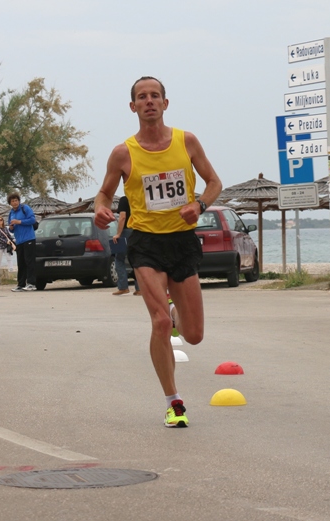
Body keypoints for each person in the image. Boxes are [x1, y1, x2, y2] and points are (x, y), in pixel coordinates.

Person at [93, 75, 222, 427]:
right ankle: (173, 400)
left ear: (165, 103)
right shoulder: (123, 153)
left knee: (193, 335)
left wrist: (200, 205)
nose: (149, 101)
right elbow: (103, 194)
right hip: (145, 242)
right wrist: (100, 208)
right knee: (160, 322)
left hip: (181, 241)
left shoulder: (187, 141)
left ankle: (176, 315)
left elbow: (214, 182)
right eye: (141, 97)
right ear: (133, 107)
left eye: (155, 96)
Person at [7, 192, 37, 292]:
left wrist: (19, 222)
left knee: (29, 262)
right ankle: (20, 284)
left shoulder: (25, 208)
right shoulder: (11, 213)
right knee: (21, 263)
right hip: (19, 241)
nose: (15, 202)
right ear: (10, 203)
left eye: (16, 200)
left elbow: (32, 220)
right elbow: (11, 229)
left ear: (19, 201)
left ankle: (31, 283)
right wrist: (11, 227)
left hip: (29, 238)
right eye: (12, 201)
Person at [112, 195, 140, 296]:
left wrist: (118, 234)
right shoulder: (140, 198)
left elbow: (123, 217)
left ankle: (123, 287)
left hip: (127, 231)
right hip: (139, 231)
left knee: (119, 258)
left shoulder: (125, 199)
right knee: (137, 259)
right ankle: (139, 288)